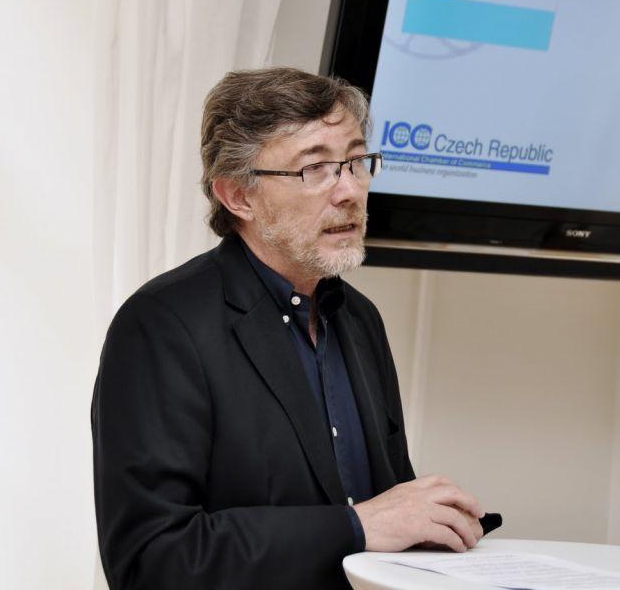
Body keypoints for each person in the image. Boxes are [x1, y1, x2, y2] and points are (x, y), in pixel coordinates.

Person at [91, 67, 486, 589]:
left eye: (357, 161)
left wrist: (432, 525)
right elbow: (152, 560)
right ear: (238, 196)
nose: (350, 190)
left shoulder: (360, 318)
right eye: (315, 169)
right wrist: (355, 527)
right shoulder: (161, 325)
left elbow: (387, 512)